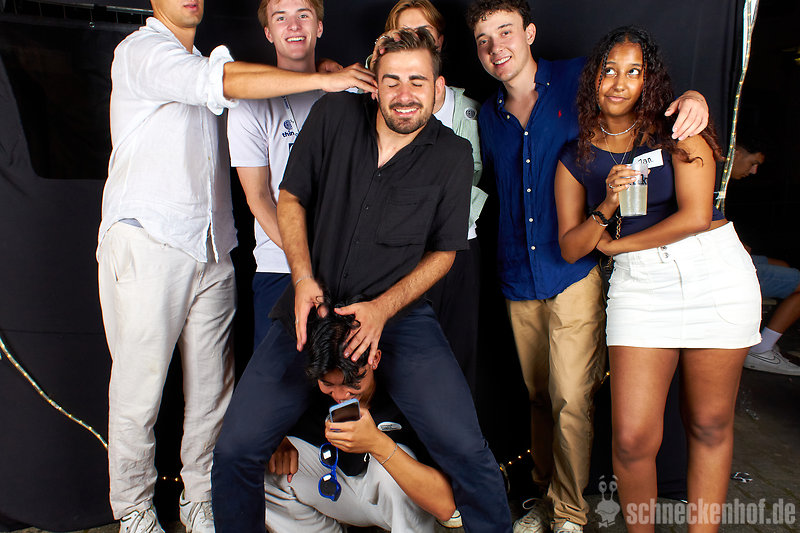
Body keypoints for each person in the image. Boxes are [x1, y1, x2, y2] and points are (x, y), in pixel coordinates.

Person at [211, 28, 512, 533]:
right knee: (236, 448)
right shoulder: (333, 115)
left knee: (465, 448)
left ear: (438, 88)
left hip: (399, 317)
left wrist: (383, 309)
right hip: (313, 305)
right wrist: (302, 278)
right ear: (374, 82)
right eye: (392, 80)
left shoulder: (453, 155)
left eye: (417, 81)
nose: (404, 94)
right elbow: (291, 199)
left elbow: (444, 254)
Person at [96, 0, 376, 531]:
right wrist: (325, 78)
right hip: (150, 240)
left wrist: (326, 77)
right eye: (281, 17)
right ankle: (132, 509)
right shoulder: (142, 52)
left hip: (213, 248)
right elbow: (225, 85)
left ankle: (200, 500)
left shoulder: (207, 61)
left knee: (212, 393)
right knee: (139, 389)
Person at [466, 1, 709, 531]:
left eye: (506, 31)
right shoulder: (487, 114)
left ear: (529, 32)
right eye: (484, 39)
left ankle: (570, 514)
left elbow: (644, 85)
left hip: (574, 270)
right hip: (516, 273)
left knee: (571, 399)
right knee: (537, 397)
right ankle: (543, 496)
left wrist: (694, 98)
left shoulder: (580, 75)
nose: (496, 47)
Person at [554, 26, 761, 533]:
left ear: (649, 81)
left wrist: (616, 245)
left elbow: (696, 216)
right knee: (631, 440)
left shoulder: (679, 128)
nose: (619, 83)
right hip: (641, 286)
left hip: (713, 270)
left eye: (634, 72)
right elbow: (571, 246)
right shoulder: (575, 156)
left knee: (709, 424)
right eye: (609, 70)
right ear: (593, 79)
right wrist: (607, 203)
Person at [263, 302, 457, 531]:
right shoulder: (307, 389)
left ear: (375, 359)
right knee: (263, 469)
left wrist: (377, 443)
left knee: (388, 470)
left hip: (401, 500)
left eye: (352, 383)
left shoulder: (405, 392)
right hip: (341, 487)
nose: (340, 395)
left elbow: (445, 507)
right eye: (328, 384)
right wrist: (277, 440)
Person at [380, 0, 486, 392]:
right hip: (399, 255)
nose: (415, 40)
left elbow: (482, 179)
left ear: (439, 40)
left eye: (424, 32)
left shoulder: (470, 110)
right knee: (400, 361)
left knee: (458, 359)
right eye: (404, 33)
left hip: (460, 251)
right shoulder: (382, 103)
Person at [227, 0, 327, 348]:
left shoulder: (349, 92)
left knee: (344, 375)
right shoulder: (249, 105)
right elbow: (258, 199)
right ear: (269, 33)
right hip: (280, 268)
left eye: (304, 15)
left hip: (345, 268)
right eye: (281, 18)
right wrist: (305, 261)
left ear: (319, 26)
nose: (294, 26)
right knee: (276, 375)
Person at [728, 139, 800, 375]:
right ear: (737, 153)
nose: (753, 171)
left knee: (783, 265)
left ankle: (762, 335)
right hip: (727, 265)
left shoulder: (722, 177)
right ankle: (761, 349)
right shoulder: (712, 176)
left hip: (734, 256)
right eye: (753, 163)